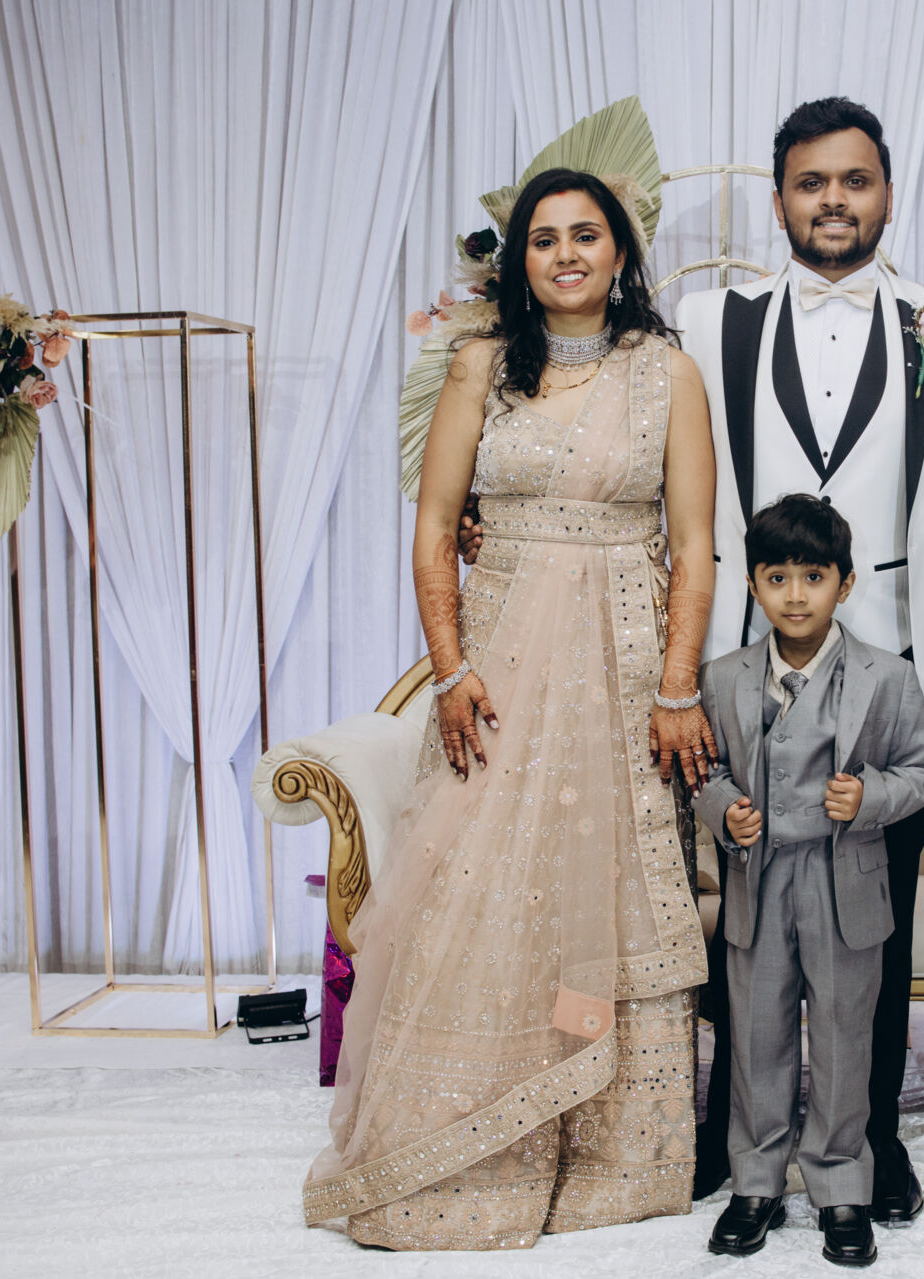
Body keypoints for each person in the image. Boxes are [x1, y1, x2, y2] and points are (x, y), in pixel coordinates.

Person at [302, 168, 718, 1250]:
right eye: (545, 239)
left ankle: (611, 1158)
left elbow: (694, 545)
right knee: (481, 884)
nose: (567, 254)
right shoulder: (480, 366)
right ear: (520, 261)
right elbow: (436, 527)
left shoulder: (669, 373)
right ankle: (463, 1141)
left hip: (624, 665)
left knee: (608, 884)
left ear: (620, 253)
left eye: (587, 235)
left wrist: (678, 684)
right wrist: (449, 671)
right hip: (502, 665)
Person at [675, 96, 924, 1222]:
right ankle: (734, 1133)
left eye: (855, 180)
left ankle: (873, 1137)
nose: (835, 201)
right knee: (743, 922)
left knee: (871, 927)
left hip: (891, 662)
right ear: (780, 201)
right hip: (743, 661)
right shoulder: (709, 321)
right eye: (812, 182)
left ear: (887, 192)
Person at [693, 494, 924, 1268]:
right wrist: (724, 808)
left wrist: (869, 795)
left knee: (842, 1038)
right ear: (752, 585)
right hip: (759, 880)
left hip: (844, 883)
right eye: (777, 578)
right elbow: (702, 770)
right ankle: (755, 1182)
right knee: (758, 1037)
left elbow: (923, 772)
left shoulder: (888, 677)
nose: (795, 595)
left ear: (846, 583)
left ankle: (841, 1186)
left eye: (813, 576)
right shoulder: (722, 677)